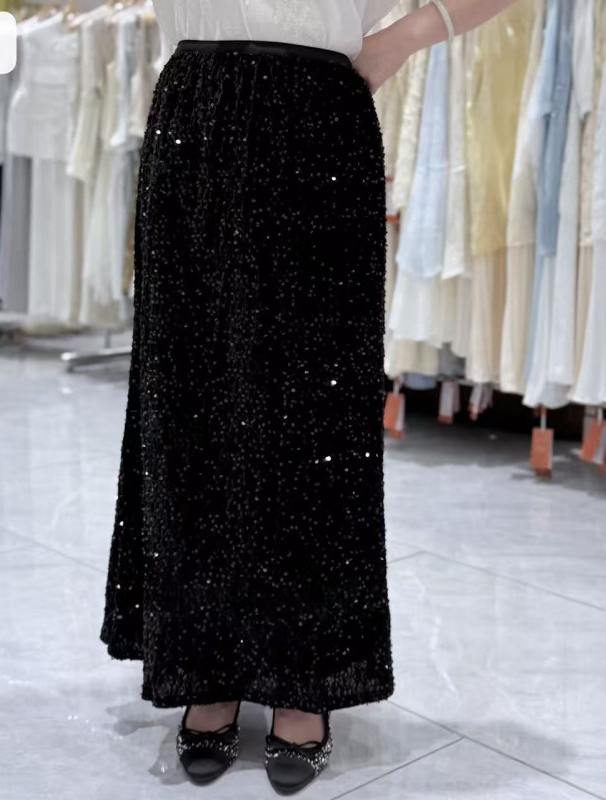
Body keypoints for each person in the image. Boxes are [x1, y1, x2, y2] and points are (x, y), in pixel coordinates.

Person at [101, 0, 519, 793]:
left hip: (319, 114)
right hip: (197, 109)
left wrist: (405, 36)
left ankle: (306, 675)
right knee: (190, 404)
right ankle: (204, 664)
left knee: (312, 414)